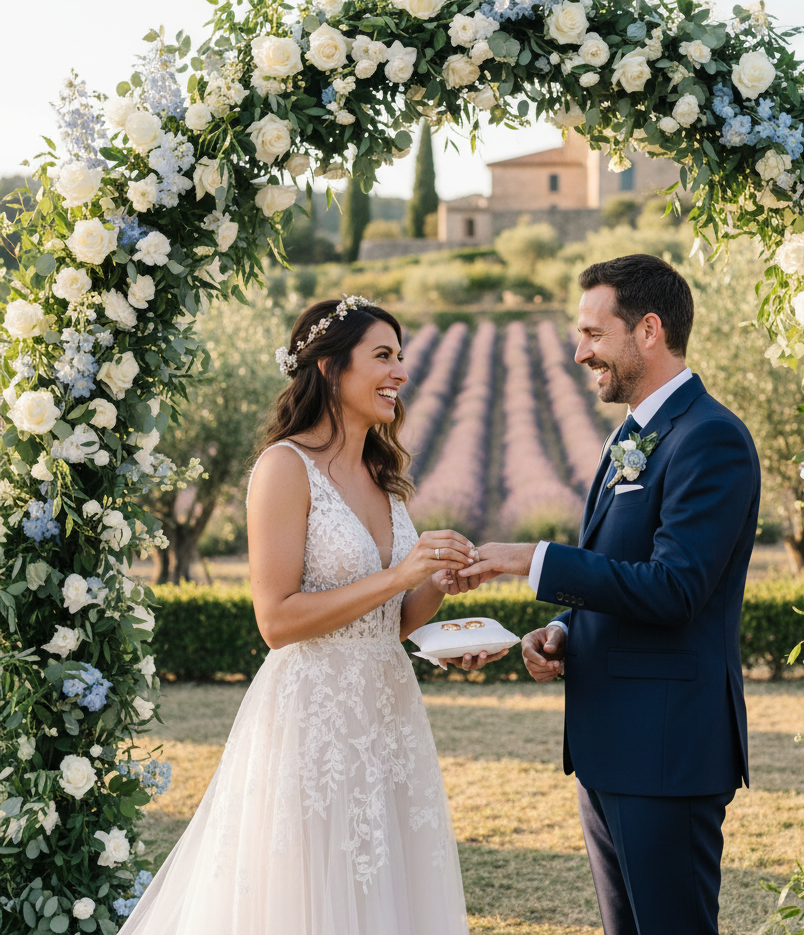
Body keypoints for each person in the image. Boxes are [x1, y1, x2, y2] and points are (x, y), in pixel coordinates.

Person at [120, 296, 502, 935]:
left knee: (385, 890)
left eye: (401, 357)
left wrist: (436, 583)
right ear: (329, 367)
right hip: (312, 718)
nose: (399, 373)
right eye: (382, 356)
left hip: (388, 713)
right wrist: (397, 574)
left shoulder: (382, 477)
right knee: (309, 898)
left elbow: (394, 620)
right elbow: (276, 619)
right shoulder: (283, 468)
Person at [460, 255, 760, 935]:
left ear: (648, 330)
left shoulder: (710, 438)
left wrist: (532, 561)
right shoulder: (631, 435)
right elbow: (621, 570)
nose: (579, 351)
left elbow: (678, 589)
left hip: (666, 750)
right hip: (611, 746)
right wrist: (567, 628)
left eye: (594, 334)